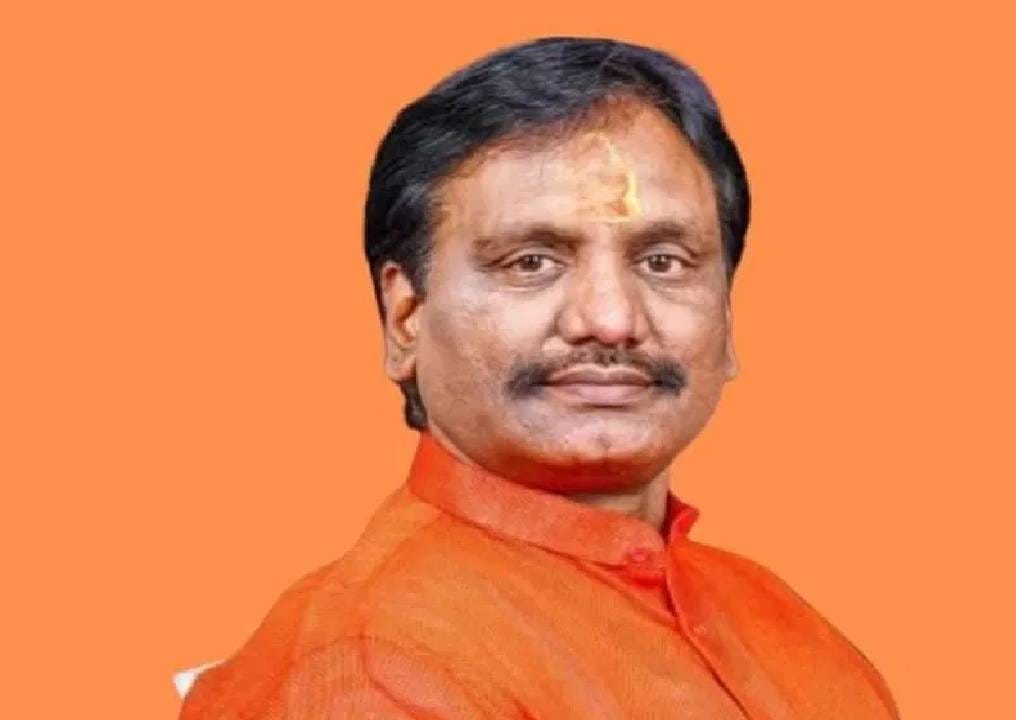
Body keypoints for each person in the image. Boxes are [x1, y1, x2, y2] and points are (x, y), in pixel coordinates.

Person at [178, 36, 898, 720]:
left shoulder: (783, 622)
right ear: (405, 318)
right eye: (532, 262)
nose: (611, 320)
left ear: (728, 318)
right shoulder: (375, 667)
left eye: (664, 262)